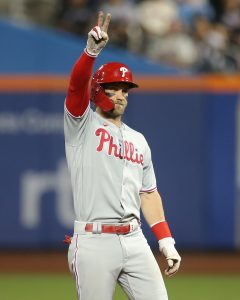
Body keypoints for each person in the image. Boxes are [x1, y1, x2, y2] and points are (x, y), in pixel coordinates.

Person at [64, 11, 181, 300]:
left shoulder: (138, 140)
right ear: (97, 91)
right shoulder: (82, 124)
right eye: (112, 88)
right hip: (94, 241)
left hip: (134, 238)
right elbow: (76, 86)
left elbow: (149, 193)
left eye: (125, 90)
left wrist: (165, 240)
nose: (120, 95)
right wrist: (91, 52)